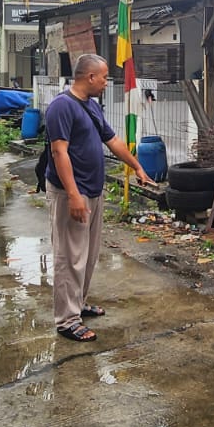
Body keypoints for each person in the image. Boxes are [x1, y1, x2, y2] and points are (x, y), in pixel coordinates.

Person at [42, 53, 151, 342]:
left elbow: (113, 141)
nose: (106, 82)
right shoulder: (61, 107)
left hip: (92, 190)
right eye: (103, 77)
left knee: (87, 255)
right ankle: (66, 319)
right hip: (71, 194)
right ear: (89, 77)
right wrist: (74, 195)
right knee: (69, 256)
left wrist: (137, 166)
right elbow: (59, 152)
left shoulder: (91, 106)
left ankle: (77, 303)